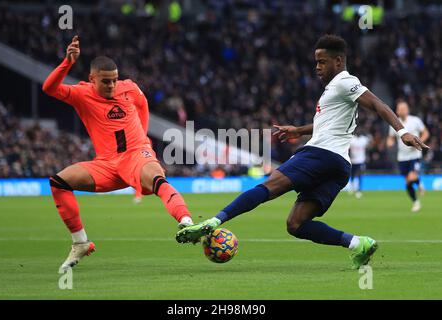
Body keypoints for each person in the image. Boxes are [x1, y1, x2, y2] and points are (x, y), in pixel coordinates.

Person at [176, 35, 429, 269]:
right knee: (295, 225)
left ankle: (214, 221)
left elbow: (377, 104)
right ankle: (358, 243)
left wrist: (401, 132)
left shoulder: (345, 81)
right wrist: (299, 130)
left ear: (338, 60)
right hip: (339, 167)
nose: (317, 67)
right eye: (316, 62)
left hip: (321, 154)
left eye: (322, 61)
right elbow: (327, 124)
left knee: (268, 186)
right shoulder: (333, 90)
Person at [43, 36, 194, 271]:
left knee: (157, 180)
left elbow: (143, 106)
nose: (112, 85)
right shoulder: (81, 94)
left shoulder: (129, 88)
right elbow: (49, 88)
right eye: (105, 81)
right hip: (106, 164)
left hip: (136, 155)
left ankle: (187, 223)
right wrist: (67, 63)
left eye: (114, 80)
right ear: (92, 79)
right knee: (59, 182)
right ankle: (80, 242)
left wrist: (142, 140)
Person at [387, 100, 430, 212]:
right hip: (402, 157)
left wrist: (419, 142)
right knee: (407, 182)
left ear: (407, 110)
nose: (401, 110)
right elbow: (391, 137)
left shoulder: (415, 120)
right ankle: (416, 202)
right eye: (399, 109)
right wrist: (390, 142)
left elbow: (425, 132)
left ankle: (419, 183)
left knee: (411, 177)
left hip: (415, 155)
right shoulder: (394, 123)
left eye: (403, 108)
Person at [349, 130, 371, 198]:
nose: (358, 133)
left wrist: (367, 155)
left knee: (359, 174)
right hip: (353, 160)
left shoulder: (363, 139)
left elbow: (368, 146)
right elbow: (348, 149)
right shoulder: (352, 139)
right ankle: (352, 187)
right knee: (352, 174)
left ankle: (359, 190)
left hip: (361, 160)